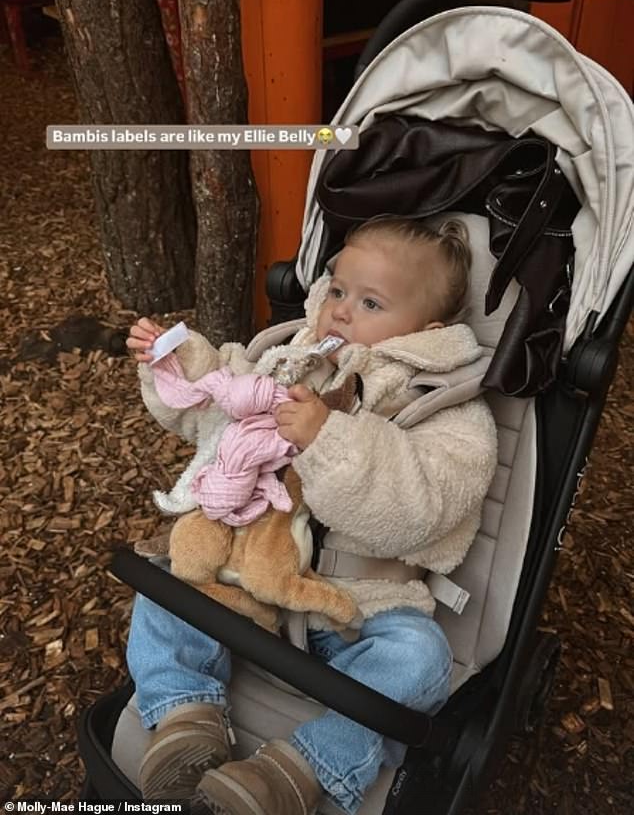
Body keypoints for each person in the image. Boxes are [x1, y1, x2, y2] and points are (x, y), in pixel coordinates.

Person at [125, 216, 498, 815]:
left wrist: (329, 441)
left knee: (420, 658)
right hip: (249, 587)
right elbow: (220, 411)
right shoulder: (294, 357)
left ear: (427, 330)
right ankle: (183, 716)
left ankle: (298, 771)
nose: (343, 311)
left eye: (371, 302)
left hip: (357, 611)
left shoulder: (445, 405)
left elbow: (422, 508)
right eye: (340, 290)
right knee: (167, 583)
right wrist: (181, 364)